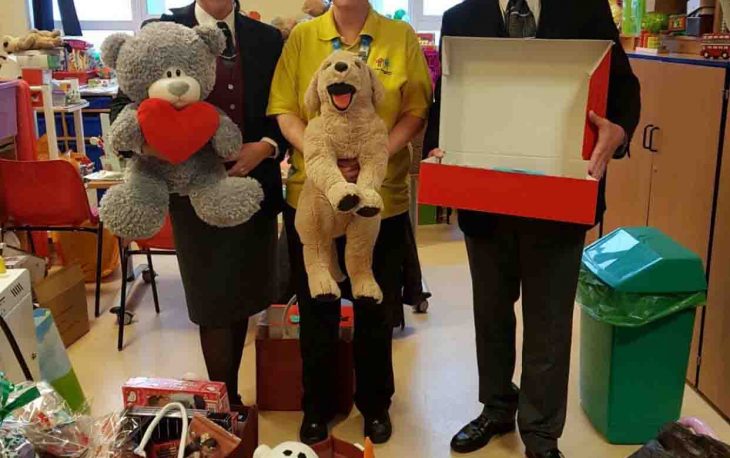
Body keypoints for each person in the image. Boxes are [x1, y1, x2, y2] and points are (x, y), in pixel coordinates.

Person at [423, 0, 641, 457]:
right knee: (491, 311)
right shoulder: (461, 19)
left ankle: (541, 432)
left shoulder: (585, 10)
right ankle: (497, 406)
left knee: (549, 321)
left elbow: (624, 89)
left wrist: (618, 130)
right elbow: (448, 98)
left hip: (560, 198)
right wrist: (437, 153)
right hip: (484, 198)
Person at [268, 0, 432, 445]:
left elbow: (415, 111)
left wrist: (372, 153)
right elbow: (287, 110)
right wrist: (328, 160)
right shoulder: (303, 38)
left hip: (380, 200)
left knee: (375, 308)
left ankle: (375, 404)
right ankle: (317, 405)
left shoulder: (399, 38)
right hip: (314, 196)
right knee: (317, 307)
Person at [110, 0, 286, 410]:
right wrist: (151, 143)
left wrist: (265, 147)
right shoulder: (163, 28)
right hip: (188, 191)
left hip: (251, 187)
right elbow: (124, 103)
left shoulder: (266, 38)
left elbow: (284, 109)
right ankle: (222, 403)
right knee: (211, 303)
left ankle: (229, 395)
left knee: (241, 296)